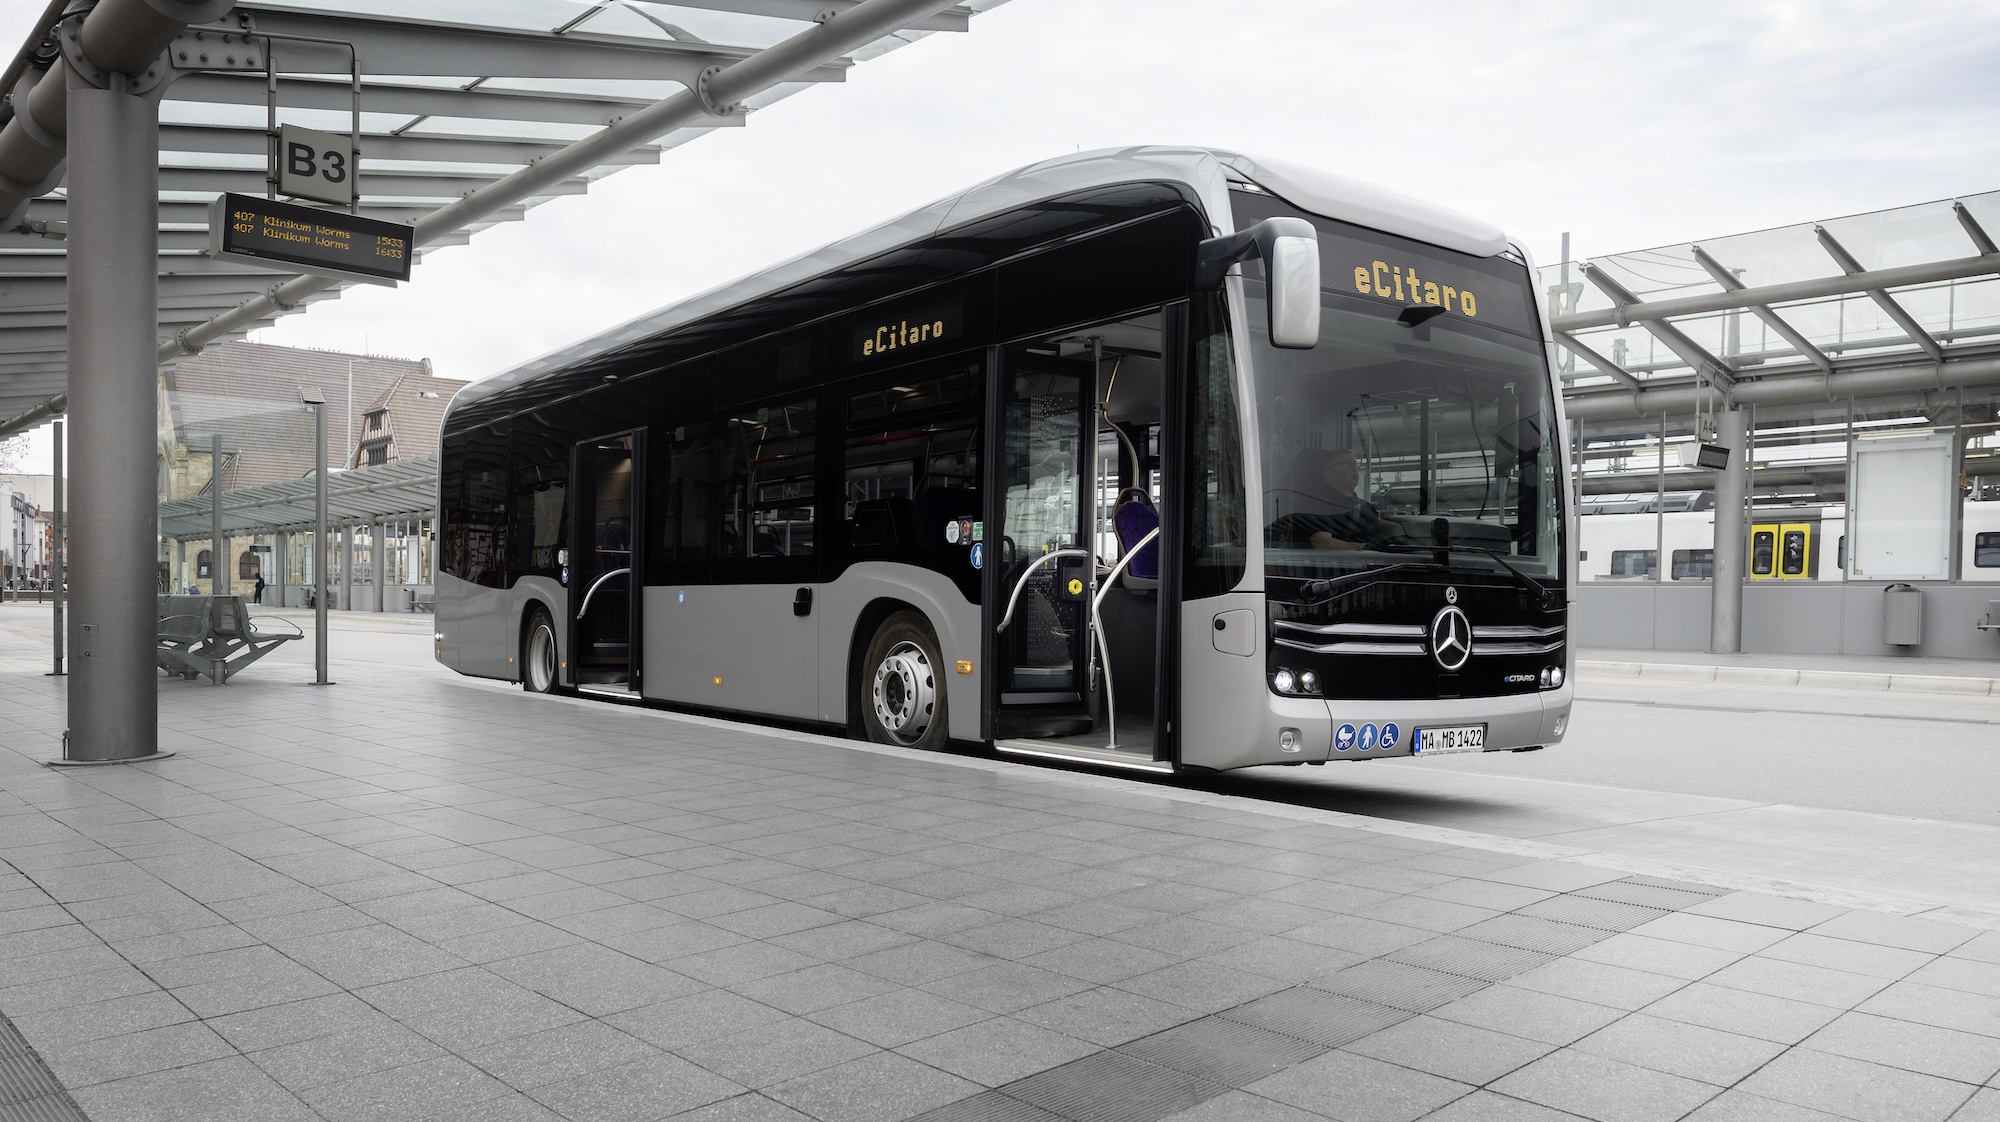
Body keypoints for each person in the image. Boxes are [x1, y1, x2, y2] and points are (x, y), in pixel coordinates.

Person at [1270, 447, 1392, 551]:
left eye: (1355, 464)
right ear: (1327, 474)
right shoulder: (1318, 506)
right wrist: (1366, 549)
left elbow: (1377, 525)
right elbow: (1322, 542)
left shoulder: (1365, 507)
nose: (1353, 468)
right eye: (1345, 464)